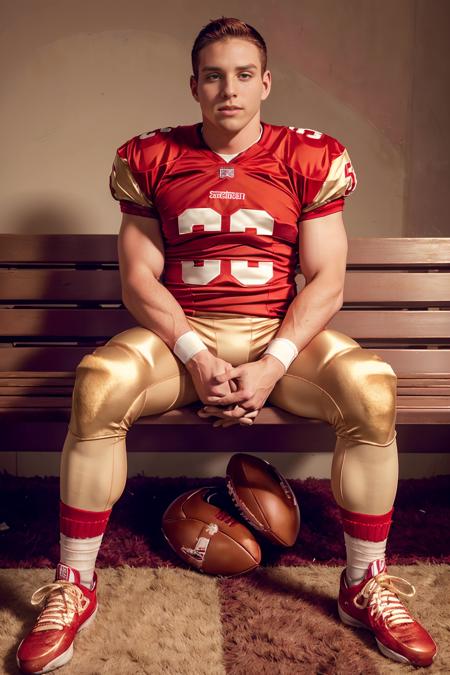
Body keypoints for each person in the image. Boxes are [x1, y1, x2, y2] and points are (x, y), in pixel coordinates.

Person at [16, 16, 437, 673]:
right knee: (98, 382)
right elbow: (138, 279)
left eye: (243, 75)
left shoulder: (309, 155)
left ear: (266, 83)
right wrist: (195, 352)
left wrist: (271, 364)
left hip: (279, 336)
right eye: (214, 76)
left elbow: (327, 281)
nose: (229, 89)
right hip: (185, 337)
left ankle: (363, 585)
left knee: (370, 385)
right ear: (194, 85)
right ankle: (75, 586)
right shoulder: (150, 156)